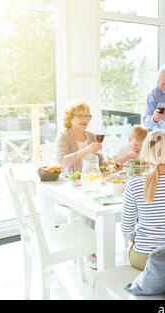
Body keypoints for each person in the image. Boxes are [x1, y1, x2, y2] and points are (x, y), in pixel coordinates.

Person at [121, 130, 165, 271]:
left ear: (146, 151)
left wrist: (144, 241)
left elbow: (126, 231)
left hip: (145, 258)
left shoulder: (134, 184)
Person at [56, 101, 106, 269]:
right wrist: (86, 150)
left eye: (87, 115)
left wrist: (107, 164)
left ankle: (99, 243)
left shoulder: (91, 135)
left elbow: (99, 157)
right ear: (70, 119)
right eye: (80, 116)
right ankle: (90, 251)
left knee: (103, 199)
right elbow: (62, 161)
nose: (85, 119)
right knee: (91, 202)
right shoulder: (64, 136)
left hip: (91, 182)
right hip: (71, 185)